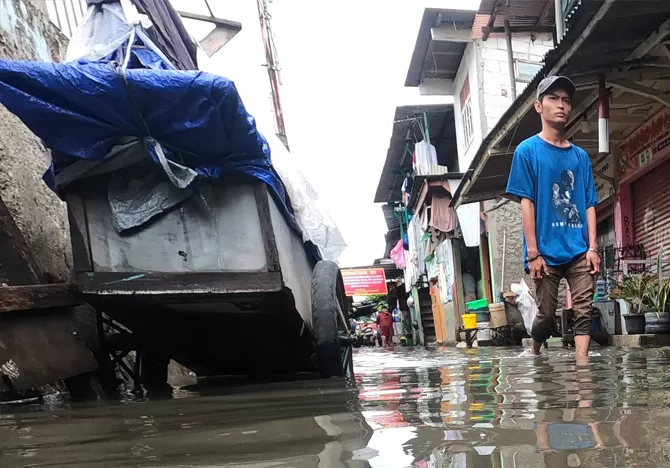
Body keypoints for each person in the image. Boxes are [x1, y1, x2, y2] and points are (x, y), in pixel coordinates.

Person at [506, 75, 600, 359]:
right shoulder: (527, 152)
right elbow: (527, 204)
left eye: (566, 100)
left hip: (579, 250)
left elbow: (590, 204)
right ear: (538, 106)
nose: (561, 105)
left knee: (584, 308)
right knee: (546, 315)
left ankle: (582, 367)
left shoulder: (580, 157)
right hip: (545, 252)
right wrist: (533, 253)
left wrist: (593, 248)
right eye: (553, 99)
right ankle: (535, 351)